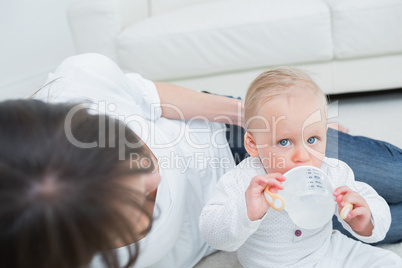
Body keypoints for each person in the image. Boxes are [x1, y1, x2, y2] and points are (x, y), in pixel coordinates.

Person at [1, 53, 400, 267]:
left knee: (392, 177)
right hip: (246, 206)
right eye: (136, 208)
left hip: (238, 138)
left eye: (134, 154)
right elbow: (222, 234)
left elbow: (158, 98)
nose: (156, 176)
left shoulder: (81, 82)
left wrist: (282, 130)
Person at [199, 68, 402, 267]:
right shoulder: (246, 180)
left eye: (312, 139)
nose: (303, 156)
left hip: (325, 251)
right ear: (253, 144)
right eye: (285, 142)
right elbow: (212, 233)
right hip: (269, 264)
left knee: (389, 261)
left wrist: (365, 220)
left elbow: (375, 206)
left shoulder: (331, 171)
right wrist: (246, 211)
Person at [0, 99, 159, 268]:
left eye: (134, 156)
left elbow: (148, 94)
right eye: (135, 200)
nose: (157, 178)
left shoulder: (84, 99)